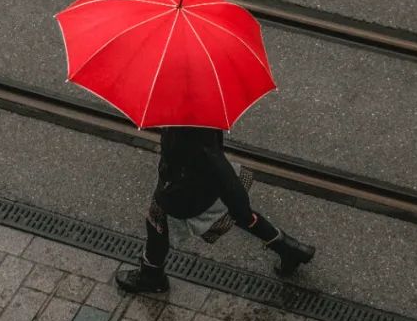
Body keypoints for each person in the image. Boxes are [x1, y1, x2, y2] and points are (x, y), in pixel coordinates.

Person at [116, 126, 315, 293]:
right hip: (186, 181)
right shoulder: (198, 117)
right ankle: (288, 248)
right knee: (238, 216)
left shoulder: (193, 136)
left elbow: (223, 175)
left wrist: (242, 211)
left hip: (187, 190)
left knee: (156, 220)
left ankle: (151, 275)